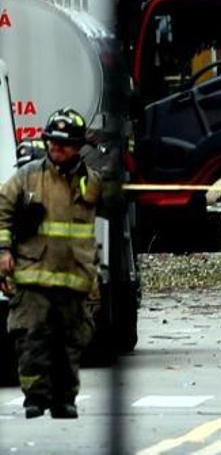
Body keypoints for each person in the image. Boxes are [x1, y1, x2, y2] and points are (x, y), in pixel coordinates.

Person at [0, 109, 101, 419]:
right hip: (33, 275)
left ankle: (64, 399)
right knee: (30, 337)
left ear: (79, 147)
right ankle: (35, 397)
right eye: (52, 143)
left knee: (70, 343)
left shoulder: (91, 183)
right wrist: (4, 250)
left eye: (65, 144)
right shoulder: (27, 177)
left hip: (74, 276)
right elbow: (2, 210)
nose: (57, 149)